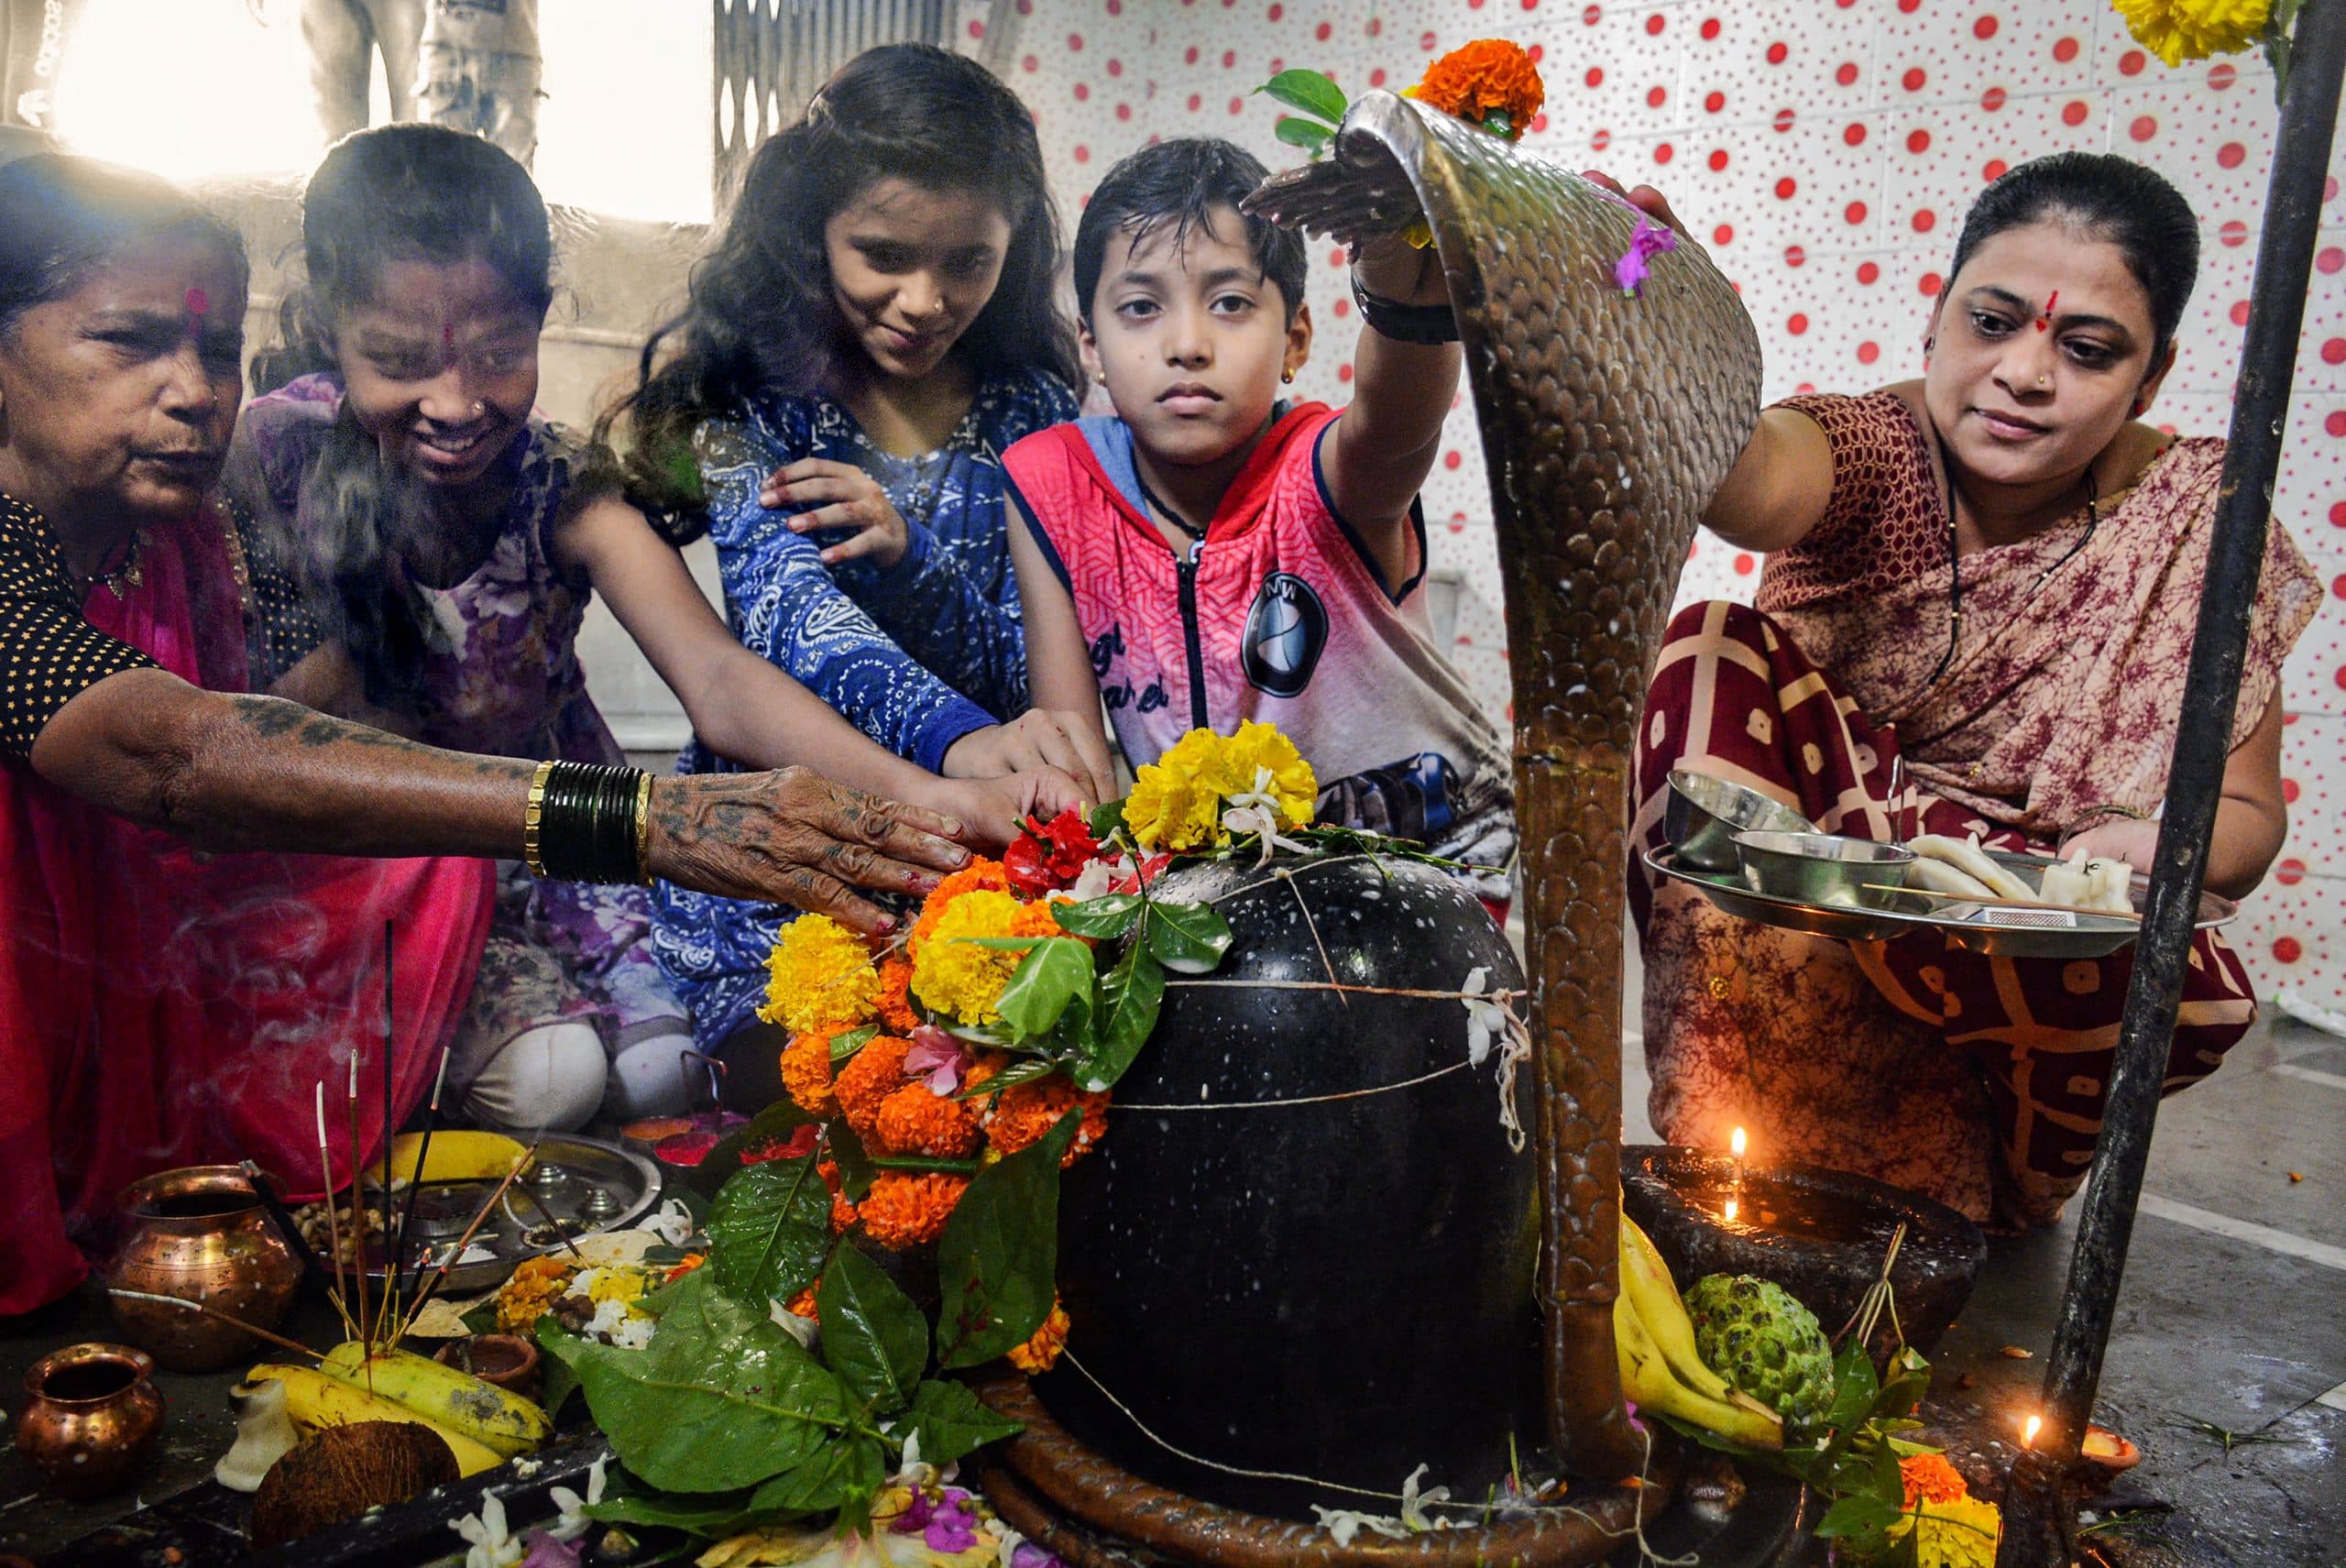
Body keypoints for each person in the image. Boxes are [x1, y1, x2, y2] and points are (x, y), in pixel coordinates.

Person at [0, 153, 968, 1317]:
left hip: (240, 899)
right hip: (98, 941)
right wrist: (645, 818)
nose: (195, 391)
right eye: (129, 341)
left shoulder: (177, 530)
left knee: (676, 1056)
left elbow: (714, 672)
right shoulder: (255, 473)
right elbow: (182, 752)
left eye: (210, 349)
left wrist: (935, 777)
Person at [226, 124, 1073, 1129]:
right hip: (383, 859)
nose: (455, 404)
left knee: (673, 1075)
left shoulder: (556, 482)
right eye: (402, 360)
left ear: (542, 321)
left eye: (499, 355)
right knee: (555, 1084)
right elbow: (237, 732)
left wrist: (925, 800)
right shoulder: (269, 456)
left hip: (566, 841)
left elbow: (716, 677)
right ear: (329, 326)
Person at [1624, 152, 2320, 1228]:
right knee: (1710, 646)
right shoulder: (1882, 451)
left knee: (2151, 949)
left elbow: (2244, 817)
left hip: (2021, 950)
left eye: (2085, 350)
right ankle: (1743, 1116)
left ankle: (1966, 1161)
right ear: (1936, 320)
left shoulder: (2199, 523)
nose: (2024, 373)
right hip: (1819, 916)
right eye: (1992, 323)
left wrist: (2140, 848)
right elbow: (1753, 482)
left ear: (2152, 376)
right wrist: (1678, 339)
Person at [615, 43, 1113, 1092]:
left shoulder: (1033, 413)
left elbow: (1035, 665)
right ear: (812, 235)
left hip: (992, 844)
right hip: (790, 853)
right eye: (883, 252)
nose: (924, 299)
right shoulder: (756, 400)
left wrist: (910, 561)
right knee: (808, 1124)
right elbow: (793, 625)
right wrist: (963, 754)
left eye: (967, 263)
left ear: (1015, 251)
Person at [1006, 137, 1516, 905]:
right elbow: (1074, 756)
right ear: (1093, 348)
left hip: (1424, 865)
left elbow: (1397, 418)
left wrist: (1409, 298)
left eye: (1231, 303)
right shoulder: (1050, 482)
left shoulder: (1328, 473)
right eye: (1140, 308)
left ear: (1296, 340)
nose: (1186, 346)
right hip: (1221, 884)